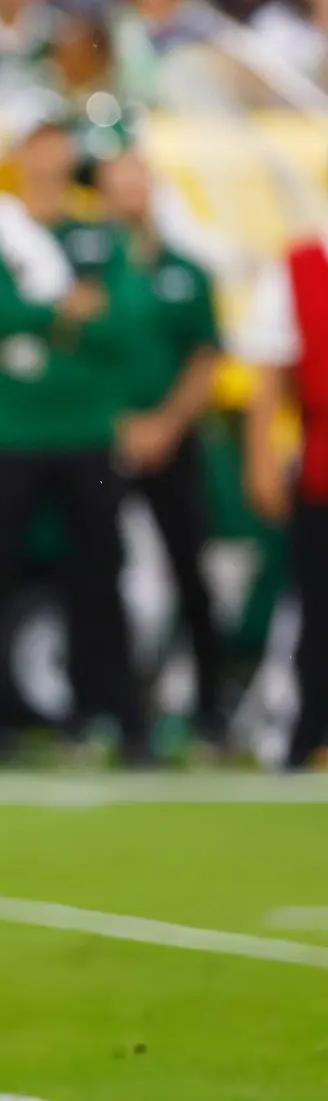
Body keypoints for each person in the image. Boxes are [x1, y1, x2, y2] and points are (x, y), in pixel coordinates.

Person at [0, 111, 150, 765]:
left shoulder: (98, 234)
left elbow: (118, 324)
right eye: (39, 143)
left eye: (59, 144)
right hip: (9, 432)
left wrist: (41, 327)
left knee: (101, 581)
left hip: (85, 429)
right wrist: (65, 314)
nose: (51, 157)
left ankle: (120, 720)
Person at [98, 142, 227, 749]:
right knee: (99, 575)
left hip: (173, 442)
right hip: (100, 440)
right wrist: (117, 422)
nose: (128, 193)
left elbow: (205, 356)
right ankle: (115, 714)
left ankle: (211, 712)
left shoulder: (186, 269)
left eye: (136, 181)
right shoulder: (90, 269)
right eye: (116, 182)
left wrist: (166, 424)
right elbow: (79, 350)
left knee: (189, 573)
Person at [235, 219, 328, 769]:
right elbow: (269, 376)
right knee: (318, 613)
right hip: (321, 467)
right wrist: (260, 458)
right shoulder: (300, 266)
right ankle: (311, 733)